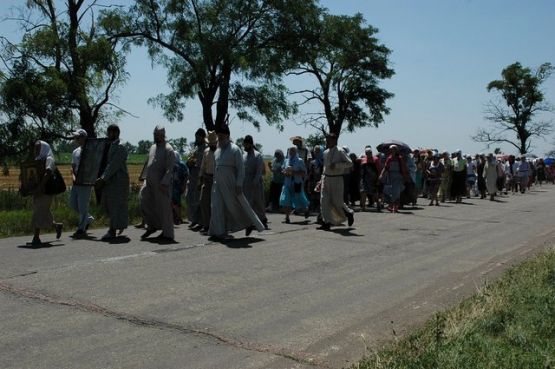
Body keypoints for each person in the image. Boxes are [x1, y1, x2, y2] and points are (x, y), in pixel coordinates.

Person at [208, 125, 264, 240]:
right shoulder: (217, 151)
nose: (220, 137)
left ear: (228, 135)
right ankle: (218, 232)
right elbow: (215, 168)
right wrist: (214, 182)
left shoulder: (235, 149)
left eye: (222, 135)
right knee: (216, 206)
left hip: (230, 183)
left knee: (234, 207)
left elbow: (241, 169)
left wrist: (239, 184)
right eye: (219, 135)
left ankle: (249, 222)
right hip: (217, 183)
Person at [140, 125, 176, 241]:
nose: (155, 136)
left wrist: (164, 183)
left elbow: (170, 169)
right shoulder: (152, 147)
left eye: (157, 135)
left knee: (165, 209)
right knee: (144, 199)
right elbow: (148, 163)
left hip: (162, 184)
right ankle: (152, 226)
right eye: (154, 134)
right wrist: (143, 176)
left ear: (163, 135)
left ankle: (168, 234)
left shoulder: (168, 149)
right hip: (149, 181)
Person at [96, 124, 129, 240]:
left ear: (116, 133)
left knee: (115, 205)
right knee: (107, 204)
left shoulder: (120, 147)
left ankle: (112, 230)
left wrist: (103, 178)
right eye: (107, 132)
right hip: (110, 180)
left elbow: (113, 165)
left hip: (118, 181)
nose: (108, 135)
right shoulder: (108, 145)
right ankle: (117, 225)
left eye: (110, 132)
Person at [30, 141, 63, 246]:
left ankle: (36, 237)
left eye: (38, 148)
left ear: (43, 148)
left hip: (46, 191)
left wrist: (40, 186)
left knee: (39, 212)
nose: (35, 150)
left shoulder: (49, 159)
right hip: (38, 191)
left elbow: (48, 172)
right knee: (42, 212)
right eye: (35, 148)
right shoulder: (37, 160)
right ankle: (57, 226)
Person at [319, 133, 354, 230]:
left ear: (334, 140)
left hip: (337, 179)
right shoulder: (325, 152)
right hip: (326, 178)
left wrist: (337, 165)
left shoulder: (340, 151)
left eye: (329, 140)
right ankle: (326, 223)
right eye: (326, 140)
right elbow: (324, 167)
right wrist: (321, 180)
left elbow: (349, 163)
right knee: (324, 201)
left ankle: (349, 213)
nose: (327, 142)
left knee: (337, 202)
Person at [68, 129, 94, 238]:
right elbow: (73, 167)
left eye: (78, 137)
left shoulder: (91, 151)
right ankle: (88, 219)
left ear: (84, 137)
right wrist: (74, 177)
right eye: (76, 137)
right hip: (76, 182)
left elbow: (93, 167)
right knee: (72, 203)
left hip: (86, 181)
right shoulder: (76, 151)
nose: (76, 139)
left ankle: (81, 229)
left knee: (83, 206)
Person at [242, 135, 268, 229]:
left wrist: (255, 182)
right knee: (248, 202)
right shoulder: (243, 156)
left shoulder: (257, 155)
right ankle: (251, 222)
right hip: (246, 182)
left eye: (246, 144)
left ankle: (263, 219)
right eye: (244, 144)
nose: (245, 146)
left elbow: (259, 170)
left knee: (258, 202)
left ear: (250, 144)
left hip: (255, 182)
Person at [280, 146, 309, 223]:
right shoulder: (286, 161)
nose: (291, 152)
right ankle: (287, 217)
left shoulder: (299, 161)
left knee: (299, 198)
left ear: (296, 152)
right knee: (286, 199)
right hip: (287, 183)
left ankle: (306, 210)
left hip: (296, 183)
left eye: (293, 151)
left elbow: (304, 173)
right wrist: (285, 172)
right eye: (290, 151)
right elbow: (282, 169)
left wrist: (294, 172)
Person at [186, 128, 207, 229]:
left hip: (201, 178)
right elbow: (190, 160)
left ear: (203, 137)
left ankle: (201, 221)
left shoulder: (206, 149)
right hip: (192, 177)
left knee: (200, 200)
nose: (196, 139)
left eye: (198, 137)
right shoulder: (195, 148)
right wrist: (189, 163)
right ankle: (194, 219)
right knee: (190, 198)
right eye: (196, 137)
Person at [379, 145, 409, 213]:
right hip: (390, 176)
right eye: (390, 150)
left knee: (396, 192)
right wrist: (381, 174)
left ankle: (394, 207)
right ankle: (391, 205)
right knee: (388, 191)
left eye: (393, 149)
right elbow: (385, 167)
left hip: (398, 176)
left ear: (396, 150)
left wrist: (405, 177)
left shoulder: (400, 158)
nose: (391, 151)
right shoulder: (389, 158)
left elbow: (404, 168)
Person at [198, 131, 217, 234]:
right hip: (207, 178)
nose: (211, 145)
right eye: (210, 143)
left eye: (213, 143)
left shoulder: (220, 151)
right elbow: (202, 166)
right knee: (203, 201)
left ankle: (215, 225)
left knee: (215, 203)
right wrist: (200, 179)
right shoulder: (206, 151)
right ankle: (206, 225)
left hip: (217, 179)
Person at [359, 146, 381, 211]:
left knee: (374, 193)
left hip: (373, 179)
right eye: (367, 152)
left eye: (370, 152)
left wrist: (379, 179)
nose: (369, 154)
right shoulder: (363, 160)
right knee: (363, 192)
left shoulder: (376, 159)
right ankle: (363, 207)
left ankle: (378, 204)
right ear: (365, 153)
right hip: (364, 179)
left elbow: (379, 169)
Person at [171, 151, 189, 225]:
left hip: (177, 186)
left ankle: (178, 218)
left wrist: (184, 185)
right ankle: (175, 218)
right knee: (172, 202)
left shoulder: (182, 164)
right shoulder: (170, 163)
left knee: (177, 202)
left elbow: (186, 175)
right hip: (171, 186)